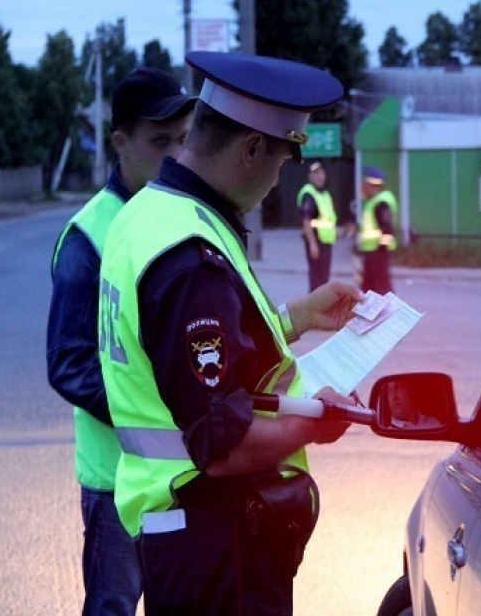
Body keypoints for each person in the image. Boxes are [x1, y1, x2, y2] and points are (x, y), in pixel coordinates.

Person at [97, 51, 364, 615]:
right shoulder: (190, 255)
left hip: (186, 537)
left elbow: (185, 357)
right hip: (220, 544)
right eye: (281, 161)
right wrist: (314, 424)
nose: (277, 180)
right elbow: (223, 445)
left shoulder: (146, 214)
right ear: (250, 149)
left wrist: (296, 317)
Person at [46, 67, 196, 615]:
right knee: (112, 607)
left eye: (183, 139)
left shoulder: (177, 218)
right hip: (116, 481)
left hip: (178, 475)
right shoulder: (89, 237)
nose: (175, 154)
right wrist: (156, 415)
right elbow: (67, 363)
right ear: (120, 142)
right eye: (160, 142)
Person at [356, 165, 398, 295]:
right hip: (372, 253)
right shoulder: (374, 201)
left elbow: (387, 231)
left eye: (364, 184)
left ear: (371, 185)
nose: (362, 188)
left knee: (381, 290)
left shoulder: (381, 203)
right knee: (370, 289)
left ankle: (391, 315)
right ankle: (372, 315)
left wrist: (380, 252)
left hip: (377, 253)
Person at [296, 160, 337, 291]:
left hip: (326, 242)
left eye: (321, 173)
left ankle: (322, 307)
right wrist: (312, 243)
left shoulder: (325, 194)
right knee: (317, 280)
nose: (319, 176)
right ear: (309, 177)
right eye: (315, 174)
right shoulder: (308, 194)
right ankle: (314, 308)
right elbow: (306, 220)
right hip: (316, 242)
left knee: (324, 278)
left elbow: (328, 219)